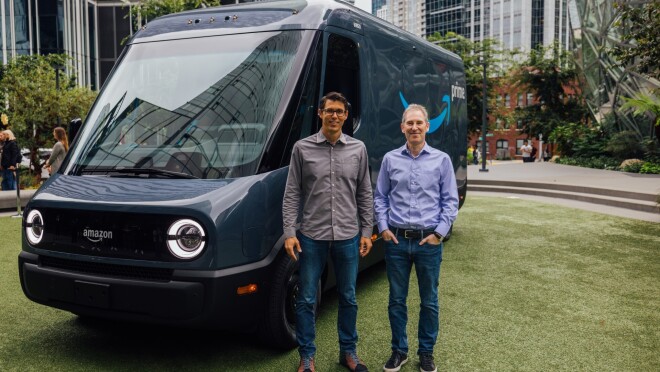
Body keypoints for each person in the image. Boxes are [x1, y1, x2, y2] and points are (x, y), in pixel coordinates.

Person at [282, 92, 374, 372]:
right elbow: (291, 193)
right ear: (320, 113)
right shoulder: (302, 148)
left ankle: (348, 353)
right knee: (307, 298)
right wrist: (289, 232)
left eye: (340, 111)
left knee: (348, 297)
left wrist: (368, 231)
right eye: (329, 110)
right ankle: (307, 356)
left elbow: (365, 192)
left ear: (346, 116)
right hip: (311, 236)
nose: (335, 115)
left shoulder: (358, 149)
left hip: (348, 236)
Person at [374, 104, 459, 372]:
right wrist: (384, 227)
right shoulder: (390, 159)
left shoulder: (441, 160)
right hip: (397, 241)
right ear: (402, 127)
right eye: (409, 123)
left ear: (427, 126)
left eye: (419, 123)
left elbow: (450, 201)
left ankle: (426, 352)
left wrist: (439, 234)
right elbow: (380, 197)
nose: (414, 127)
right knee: (396, 300)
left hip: (428, 243)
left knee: (429, 301)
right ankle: (399, 351)